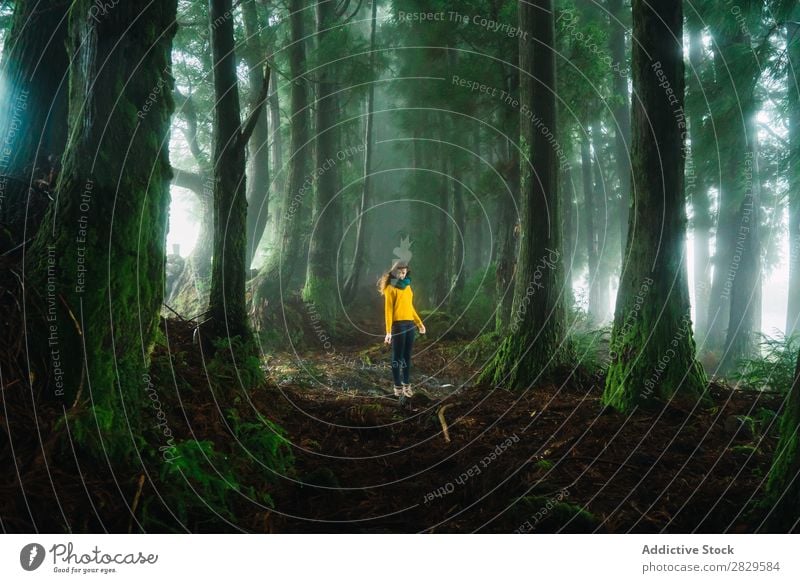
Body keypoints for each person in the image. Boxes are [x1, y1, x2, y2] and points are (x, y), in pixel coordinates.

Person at [377, 260, 426, 399]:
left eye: (404, 272)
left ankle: (406, 385)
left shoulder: (408, 287)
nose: (402, 275)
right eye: (399, 272)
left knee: (407, 356)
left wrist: (419, 323)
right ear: (394, 272)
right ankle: (397, 386)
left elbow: (410, 307)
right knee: (397, 357)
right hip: (398, 326)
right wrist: (388, 332)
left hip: (410, 324)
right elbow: (388, 310)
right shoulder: (390, 288)